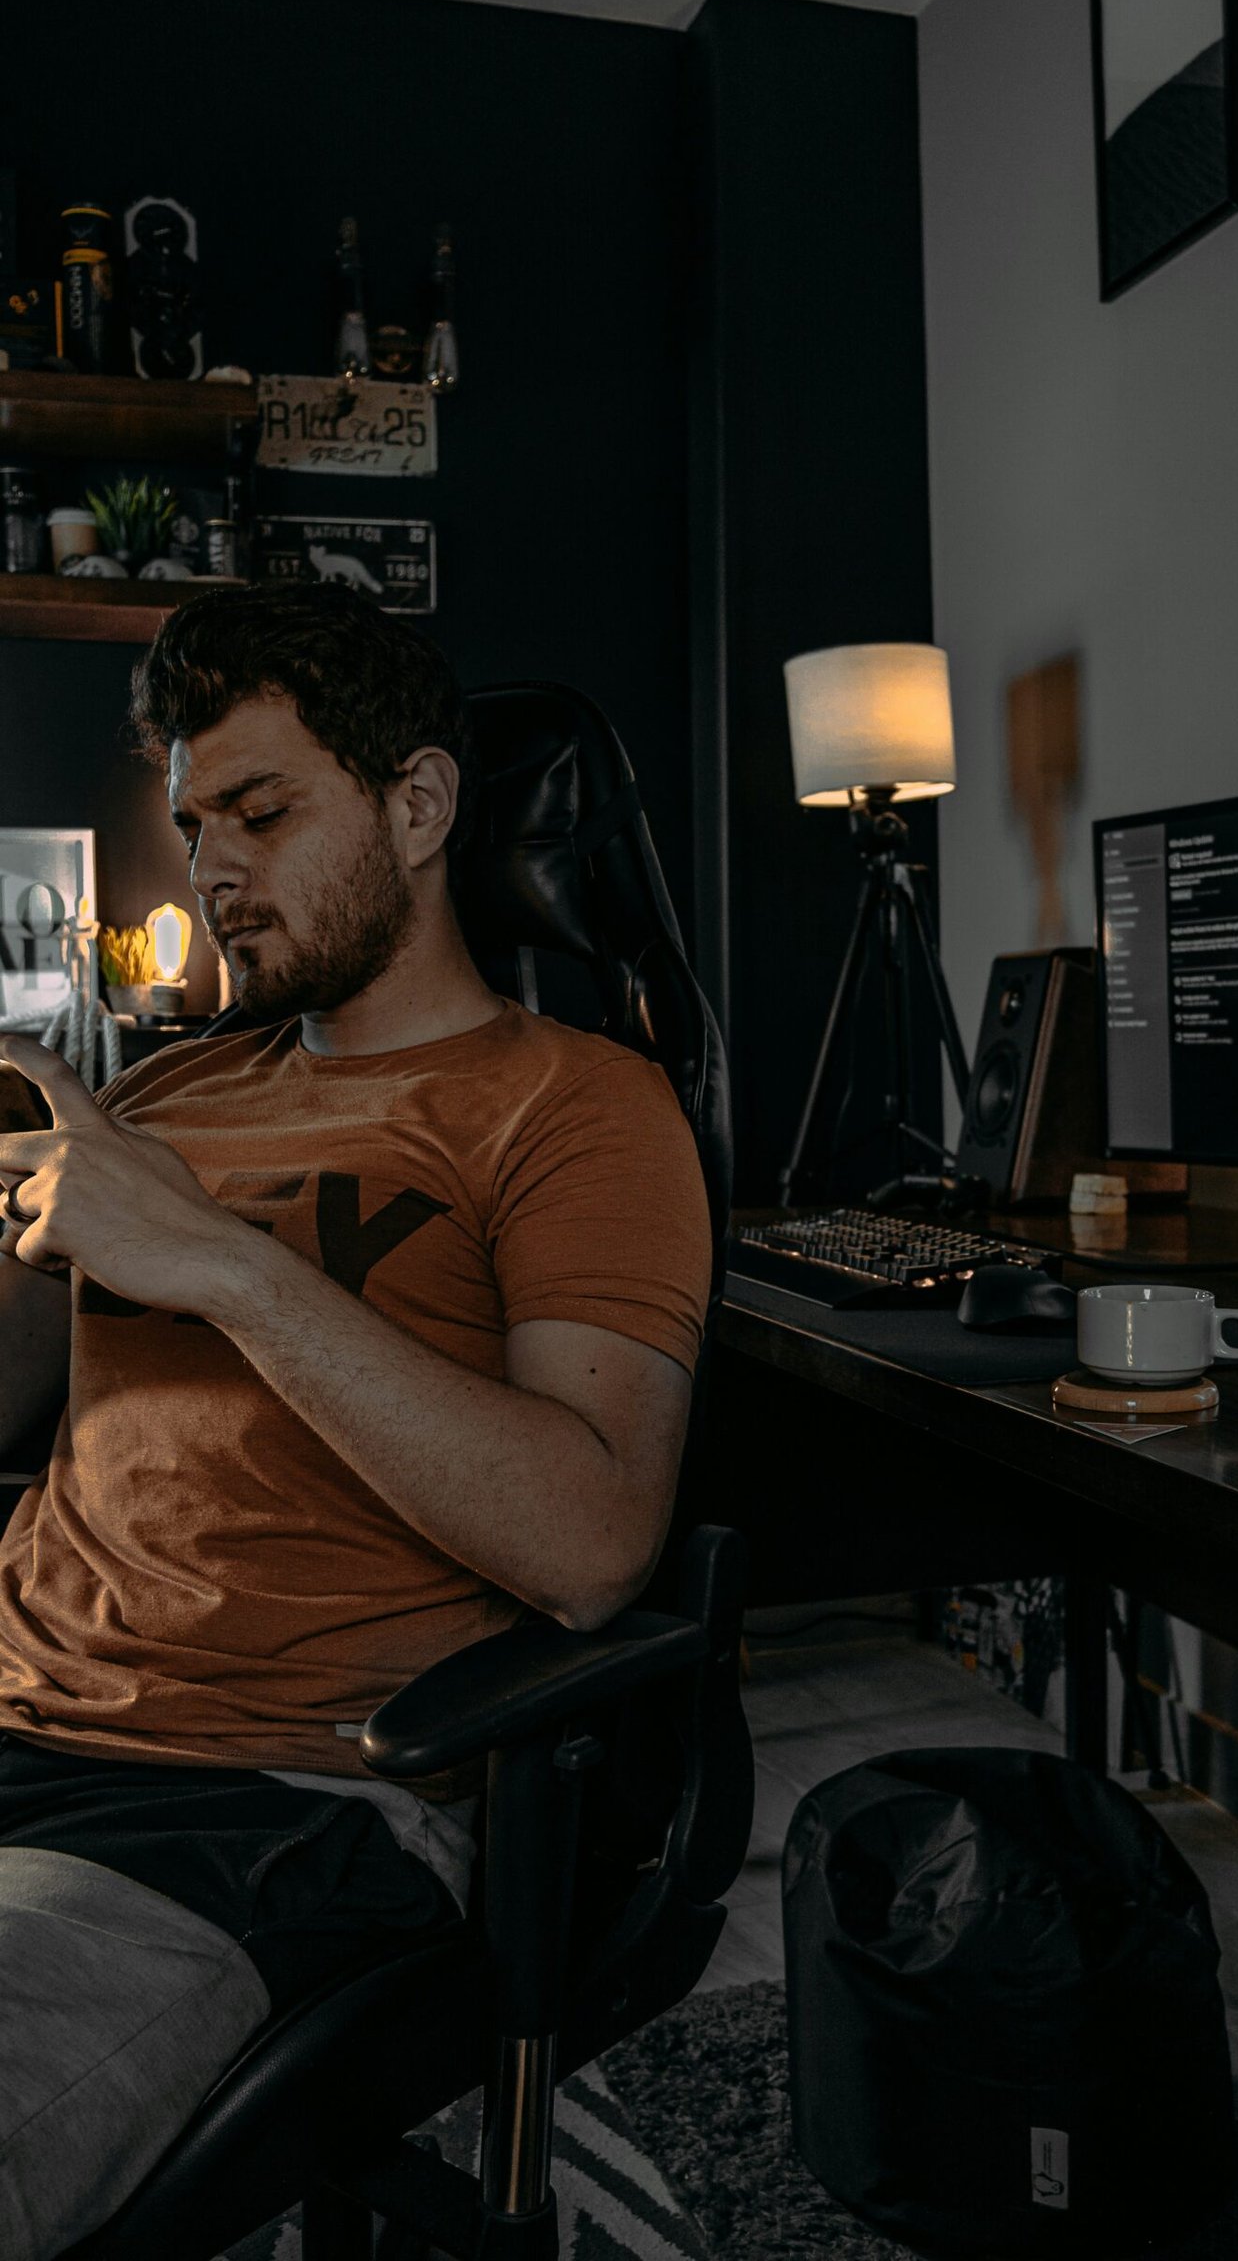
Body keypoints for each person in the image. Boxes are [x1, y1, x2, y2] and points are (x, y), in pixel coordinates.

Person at [0, 582, 712, 2259]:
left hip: (263, 1801)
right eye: (192, 822)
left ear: (417, 805)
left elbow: (597, 1541)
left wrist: (223, 1267)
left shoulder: (577, 1107)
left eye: (260, 810)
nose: (212, 865)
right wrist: (34, 1208)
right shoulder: (161, 1093)